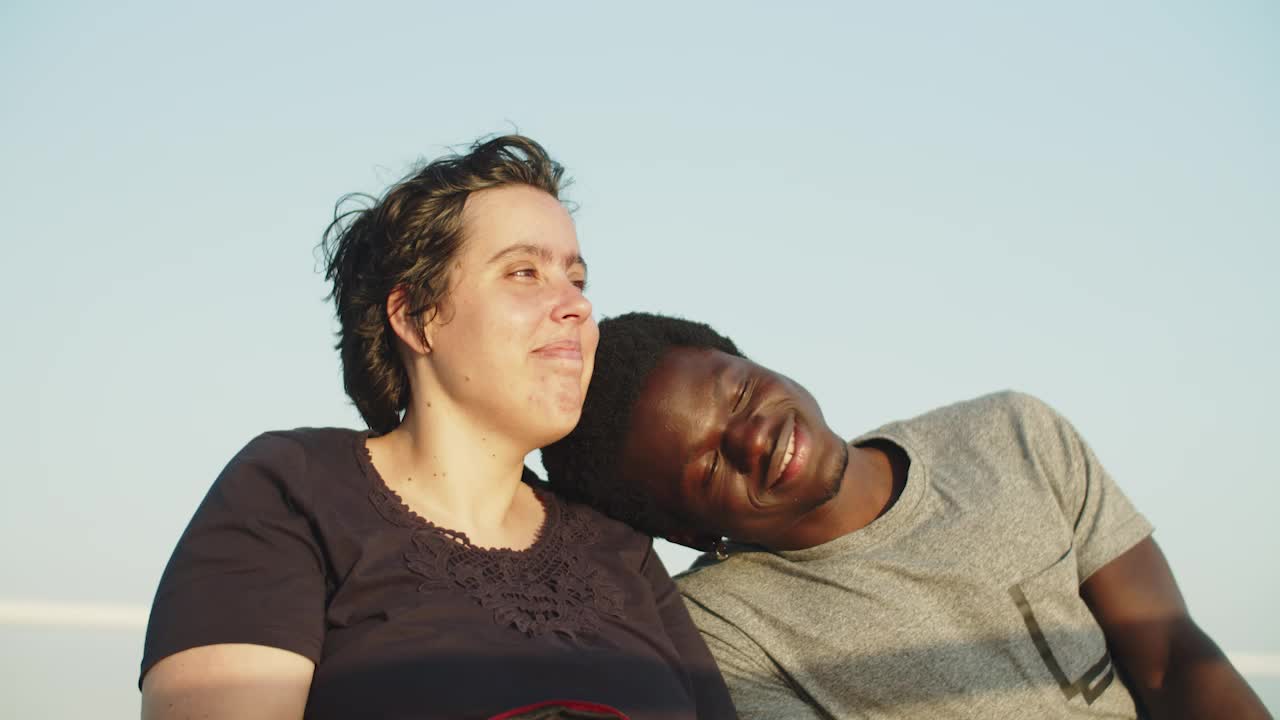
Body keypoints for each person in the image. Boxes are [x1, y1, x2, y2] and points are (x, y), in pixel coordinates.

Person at [139, 142, 734, 720]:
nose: (575, 305)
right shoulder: (294, 491)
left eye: (576, 279)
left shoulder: (620, 550)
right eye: (524, 272)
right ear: (415, 318)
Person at [542, 312, 1271, 720]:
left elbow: (1170, 656)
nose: (752, 436)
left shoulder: (1012, 434)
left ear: (754, 360)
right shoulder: (725, 635)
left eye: (737, 393)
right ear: (694, 534)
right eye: (707, 467)